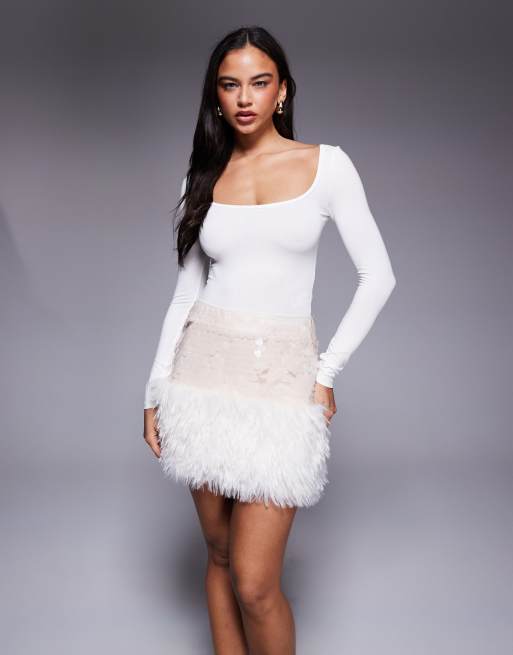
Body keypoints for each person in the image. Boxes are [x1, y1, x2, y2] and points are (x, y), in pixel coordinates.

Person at [143, 25, 396, 655]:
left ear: (282, 90)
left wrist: (326, 372)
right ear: (216, 94)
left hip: (281, 383)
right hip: (199, 382)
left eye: (259, 83)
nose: (244, 98)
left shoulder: (327, 166)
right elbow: (185, 295)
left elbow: (379, 277)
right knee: (221, 556)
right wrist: (154, 390)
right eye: (230, 85)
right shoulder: (202, 176)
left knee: (256, 583)